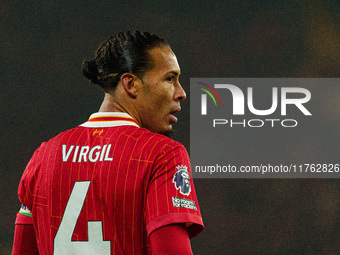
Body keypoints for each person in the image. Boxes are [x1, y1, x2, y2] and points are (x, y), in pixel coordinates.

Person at [12, 31, 204, 255]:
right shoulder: (162, 154)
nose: (181, 93)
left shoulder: (43, 156)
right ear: (130, 84)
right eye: (169, 79)